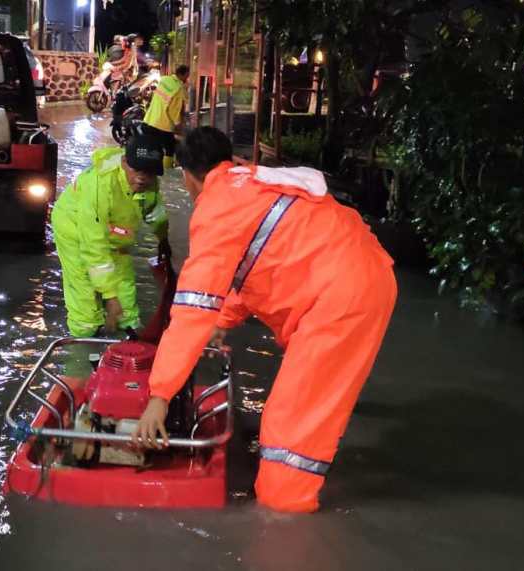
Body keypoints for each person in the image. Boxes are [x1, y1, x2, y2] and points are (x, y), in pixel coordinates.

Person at [132, 127, 397, 513]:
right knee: (303, 410)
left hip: (339, 300)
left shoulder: (216, 208)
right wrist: (222, 320)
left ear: (187, 176)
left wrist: (159, 396)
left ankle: (283, 517)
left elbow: (191, 310)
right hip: (356, 280)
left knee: (288, 431)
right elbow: (260, 264)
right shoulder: (251, 182)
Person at [51, 133, 170, 337]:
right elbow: (94, 247)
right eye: (137, 170)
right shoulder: (99, 185)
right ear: (124, 162)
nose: (142, 177)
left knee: (124, 288)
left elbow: (155, 212)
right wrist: (110, 297)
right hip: (74, 227)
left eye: (149, 172)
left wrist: (163, 239)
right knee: (84, 291)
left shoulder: (150, 183)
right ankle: (85, 337)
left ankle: (129, 332)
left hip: (116, 231)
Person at [142, 64, 190, 170]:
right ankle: (166, 173)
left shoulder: (164, 80)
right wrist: (179, 126)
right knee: (169, 149)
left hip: (149, 120)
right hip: (163, 125)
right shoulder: (179, 89)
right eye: (188, 76)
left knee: (151, 147)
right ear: (185, 74)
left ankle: (148, 167)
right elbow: (175, 112)